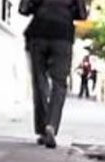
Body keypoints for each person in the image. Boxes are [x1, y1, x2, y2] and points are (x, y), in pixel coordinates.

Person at [25, 0, 80, 149]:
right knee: (59, 83)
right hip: (63, 35)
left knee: (39, 80)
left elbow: (24, 8)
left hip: (39, 32)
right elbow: (81, 13)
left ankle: (42, 130)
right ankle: (51, 125)